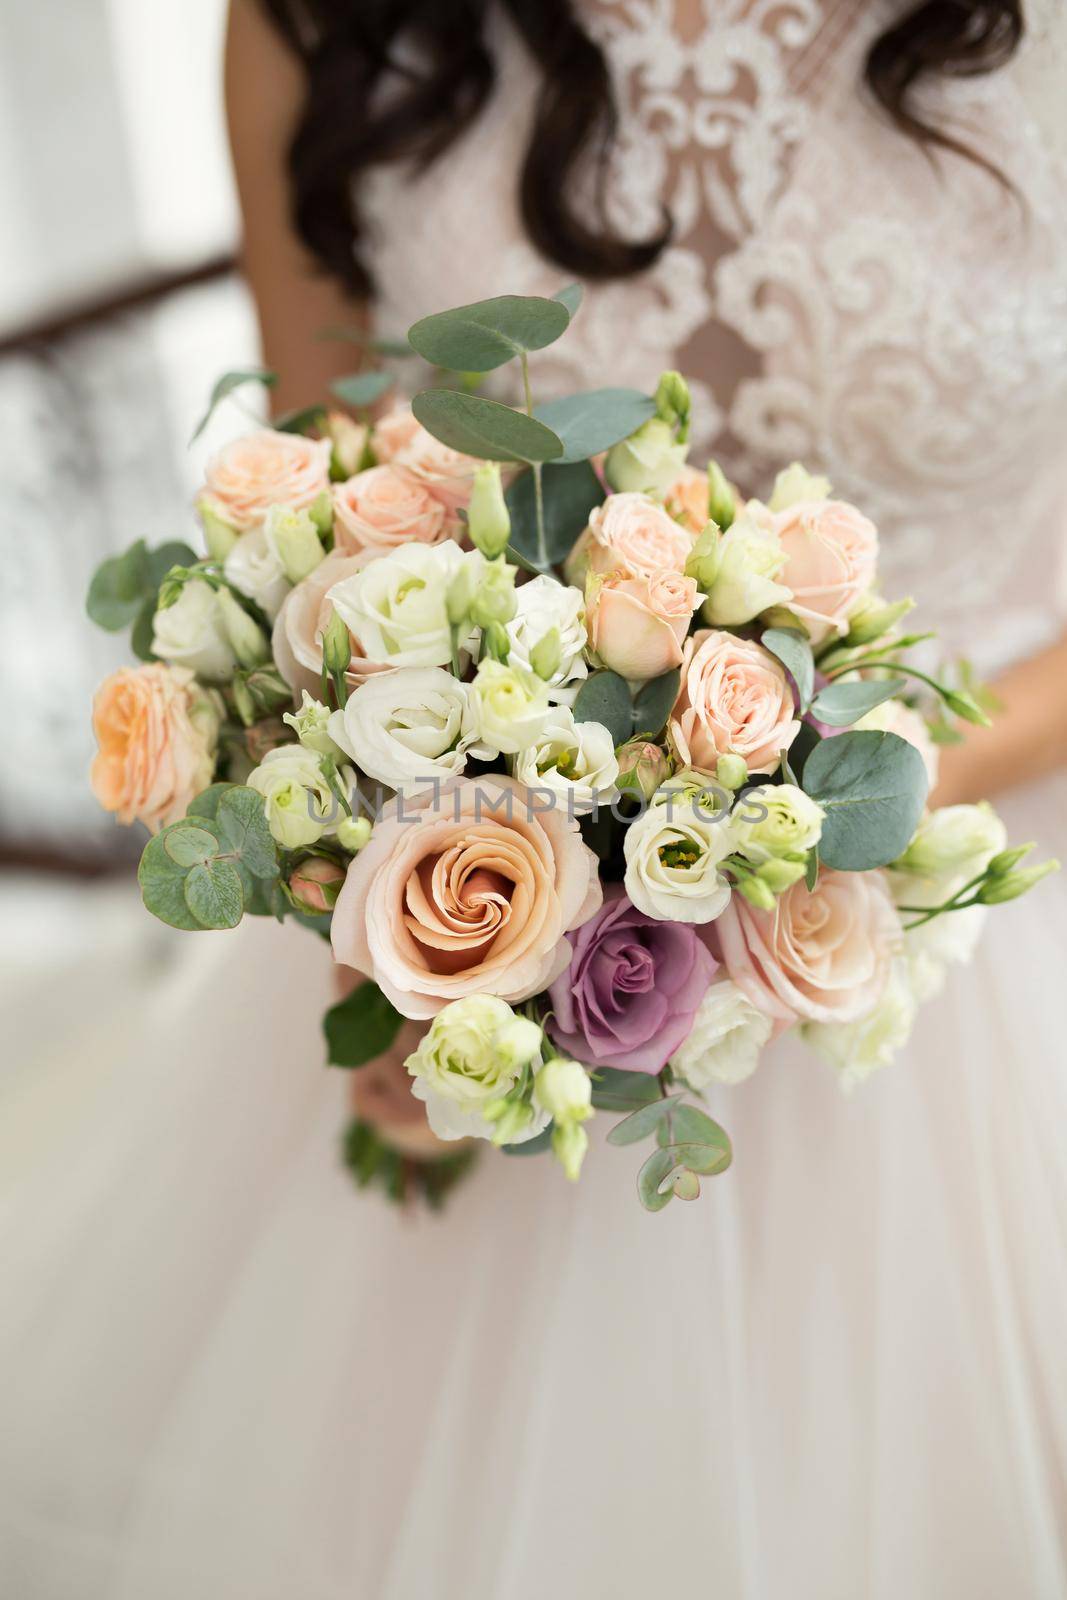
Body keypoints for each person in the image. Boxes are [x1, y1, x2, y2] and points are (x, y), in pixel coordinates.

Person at [2, 2, 1065, 1595]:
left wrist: (810, 804)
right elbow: (327, 536)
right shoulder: (319, 23)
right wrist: (398, 908)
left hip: (1003, 895)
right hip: (497, 927)